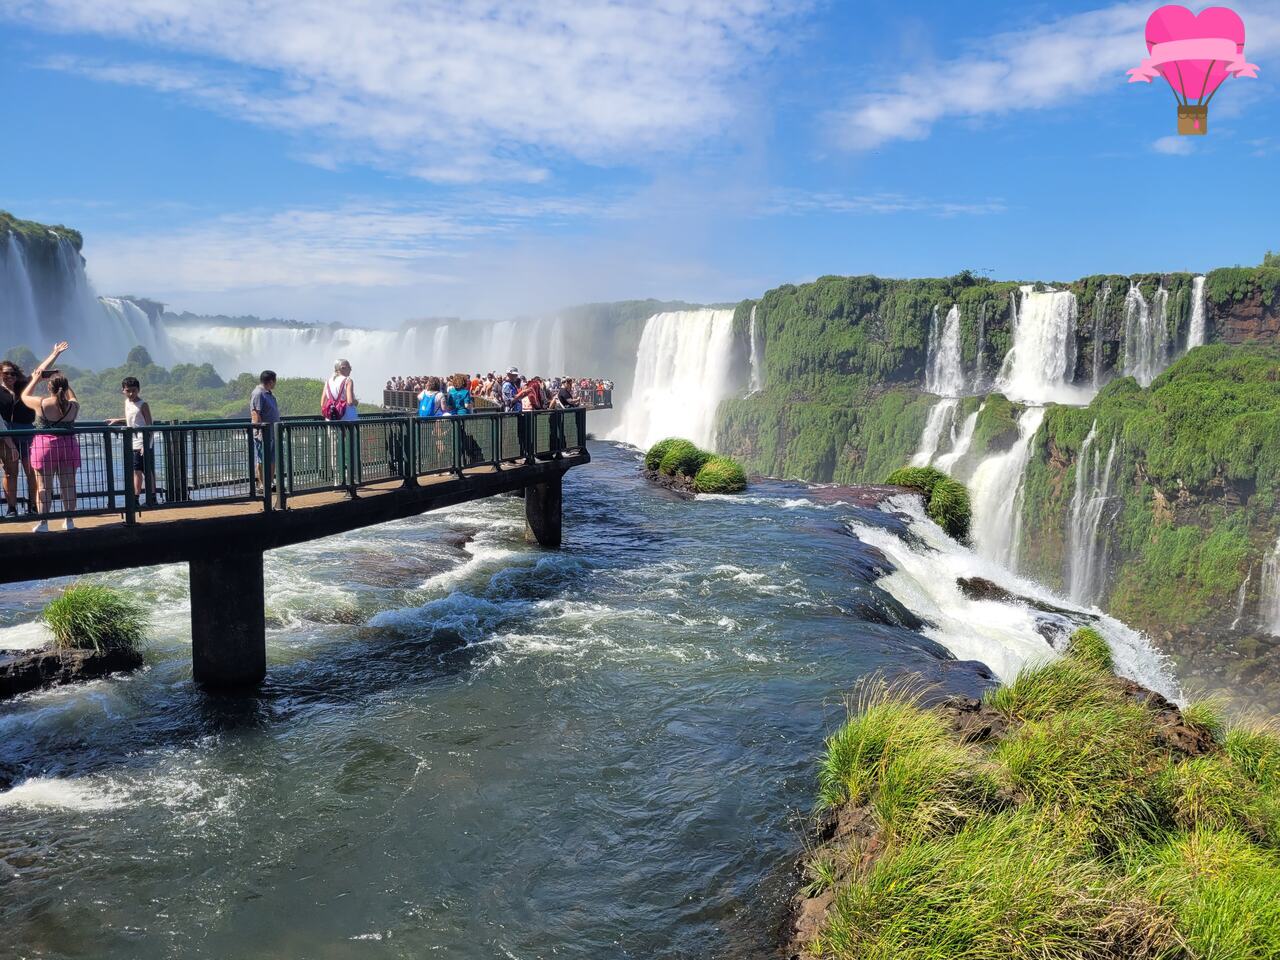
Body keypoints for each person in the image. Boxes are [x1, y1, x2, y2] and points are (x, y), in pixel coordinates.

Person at [21, 342, 79, 532]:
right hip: (68, 446)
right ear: (65, 387)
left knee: (44, 486)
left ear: (49, 387)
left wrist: (36, 378)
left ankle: (44, 522)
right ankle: (69, 521)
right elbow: (72, 397)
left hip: (45, 446)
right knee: (68, 485)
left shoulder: (41, 403)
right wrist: (65, 384)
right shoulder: (74, 406)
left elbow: (24, 396)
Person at [0, 359, 37, 517]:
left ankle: (33, 506)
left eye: (13, 373)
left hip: (26, 433)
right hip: (5, 435)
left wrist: (55, 353)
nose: (10, 376)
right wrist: (9, 441)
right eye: (6, 373)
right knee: (10, 472)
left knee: (31, 471)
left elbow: (38, 373)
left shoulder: (23, 388)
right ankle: (12, 508)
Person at [106, 377, 154, 498]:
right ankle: (148, 496)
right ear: (123, 391)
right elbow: (132, 419)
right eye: (128, 391)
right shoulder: (127, 402)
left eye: (134, 390)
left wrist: (145, 445)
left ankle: (139, 497)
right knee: (140, 470)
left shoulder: (143, 405)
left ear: (138, 390)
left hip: (142, 442)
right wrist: (118, 420)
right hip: (133, 441)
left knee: (140, 470)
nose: (131, 393)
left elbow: (149, 426)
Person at [250, 370, 280, 490]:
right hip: (263, 433)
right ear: (271, 381)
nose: (275, 383)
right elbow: (255, 413)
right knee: (261, 458)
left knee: (272, 458)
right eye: (275, 381)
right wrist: (259, 429)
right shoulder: (258, 393)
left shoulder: (268, 393)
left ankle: (270, 482)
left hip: (272, 432)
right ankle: (262, 484)